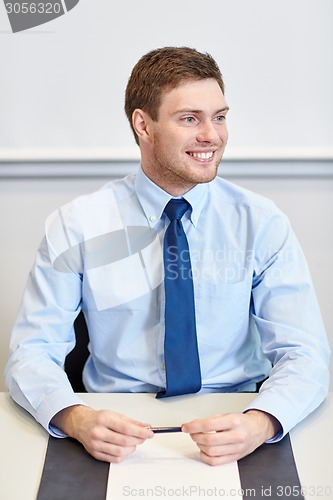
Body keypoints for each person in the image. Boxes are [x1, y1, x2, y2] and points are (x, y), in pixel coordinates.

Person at [5, 46, 330, 466]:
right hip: (115, 421)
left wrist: (263, 421)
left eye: (220, 117)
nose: (212, 135)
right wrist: (75, 418)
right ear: (144, 125)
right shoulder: (78, 224)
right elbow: (32, 351)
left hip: (237, 417)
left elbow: (305, 352)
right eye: (190, 119)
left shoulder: (261, 222)